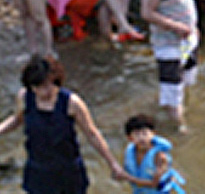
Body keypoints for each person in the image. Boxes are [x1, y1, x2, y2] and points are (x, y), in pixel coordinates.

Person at [0, 54, 126, 192]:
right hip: (38, 169)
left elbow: (92, 134)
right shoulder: (25, 97)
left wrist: (113, 163)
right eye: (36, 87)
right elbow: (18, 118)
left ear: (54, 80)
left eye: (45, 86)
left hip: (67, 171)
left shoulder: (72, 103)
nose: (41, 91)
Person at [140, 0, 199, 132]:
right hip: (169, 45)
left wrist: (193, 29)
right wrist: (177, 27)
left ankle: (175, 107)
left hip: (186, 41)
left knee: (186, 80)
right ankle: (178, 127)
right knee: (173, 90)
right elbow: (147, 13)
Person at [121, 114, 186, 194]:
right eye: (137, 134)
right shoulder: (130, 150)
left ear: (153, 134)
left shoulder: (159, 156)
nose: (141, 137)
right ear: (130, 138)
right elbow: (126, 168)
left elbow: (154, 184)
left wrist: (128, 178)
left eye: (145, 133)